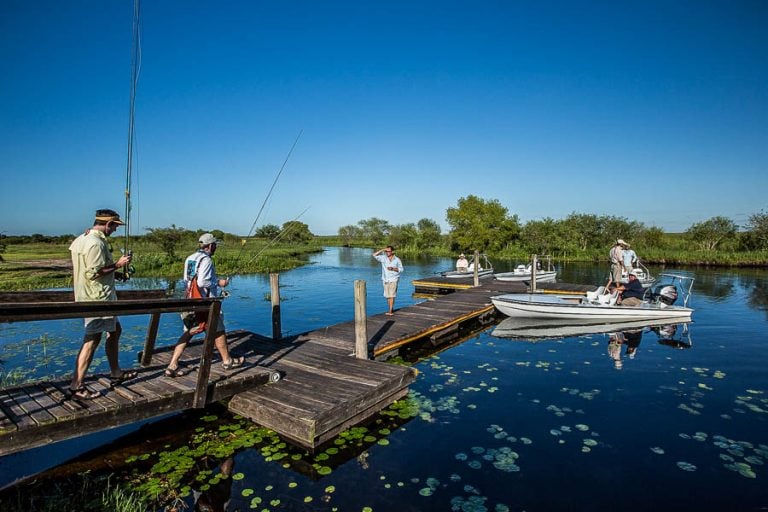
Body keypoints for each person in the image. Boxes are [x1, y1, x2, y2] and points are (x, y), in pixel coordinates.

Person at [68, 209, 136, 399]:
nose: (115, 230)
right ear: (108, 224)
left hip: (94, 295)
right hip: (97, 299)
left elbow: (90, 270)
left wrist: (116, 274)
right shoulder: (95, 243)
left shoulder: (82, 238)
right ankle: (77, 385)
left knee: (115, 330)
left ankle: (116, 372)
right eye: (115, 226)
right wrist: (118, 264)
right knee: (92, 340)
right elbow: (93, 273)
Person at [165, 233, 244, 377]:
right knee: (218, 330)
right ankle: (227, 361)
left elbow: (187, 280)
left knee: (188, 332)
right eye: (214, 245)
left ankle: (172, 365)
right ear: (210, 246)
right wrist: (218, 283)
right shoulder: (207, 260)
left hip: (190, 302)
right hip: (206, 304)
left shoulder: (190, 258)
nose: (215, 247)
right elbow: (202, 282)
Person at [372, 245, 403, 316]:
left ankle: (390, 311)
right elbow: (374, 255)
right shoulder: (383, 258)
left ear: (392, 251)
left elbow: (401, 269)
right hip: (385, 280)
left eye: (389, 251)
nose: (387, 252)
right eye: (386, 251)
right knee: (387, 296)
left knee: (392, 295)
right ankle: (390, 309)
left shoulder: (397, 259)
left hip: (394, 279)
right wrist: (382, 249)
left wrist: (393, 269)